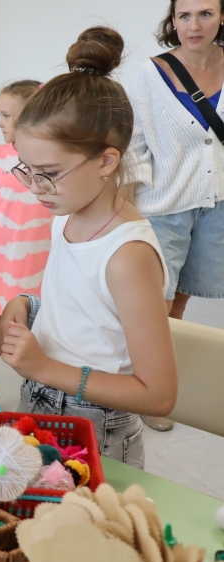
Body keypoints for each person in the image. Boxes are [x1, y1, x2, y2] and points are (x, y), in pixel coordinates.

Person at [0, 27, 178, 468]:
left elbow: (158, 393)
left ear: (106, 160)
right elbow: (86, 316)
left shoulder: (127, 256)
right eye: (28, 170)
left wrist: (44, 368)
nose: (36, 187)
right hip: (41, 402)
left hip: (93, 429)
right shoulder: (66, 215)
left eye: (49, 172)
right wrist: (28, 305)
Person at [126, 0, 224, 431]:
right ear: (173, 21)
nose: (194, 24)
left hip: (216, 203)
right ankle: (147, 390)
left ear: (222, 16)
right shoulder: (151, 73)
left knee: (180, 298)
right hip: (163, 205)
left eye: (205, 13)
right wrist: (128, 209)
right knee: (158, 303)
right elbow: (133, 143)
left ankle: (160, 380)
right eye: (184, 16)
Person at [0, 80, 51, 398]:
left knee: (39, 335)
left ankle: (38, 397)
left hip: (41, 266)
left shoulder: (51, 160)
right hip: (1, 265)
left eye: (5, 115)